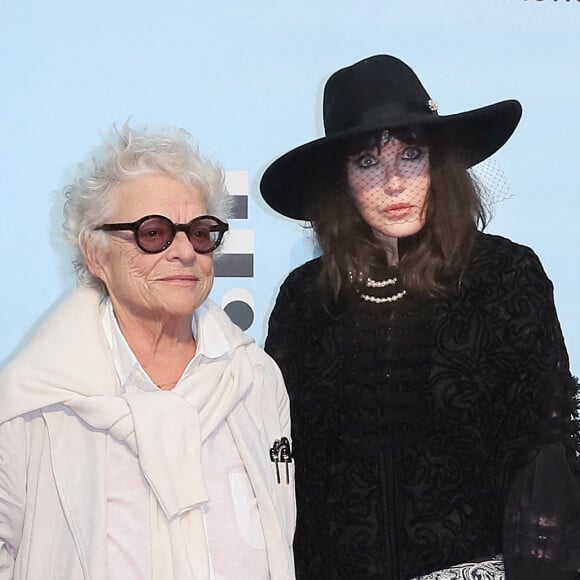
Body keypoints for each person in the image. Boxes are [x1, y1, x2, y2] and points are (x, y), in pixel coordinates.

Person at [260, 55, 580, 579]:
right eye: (367, 161)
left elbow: (545, 452)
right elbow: (290, 474)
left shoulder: (506, 276)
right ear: (340, 180)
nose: (392, 182)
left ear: (438, 164)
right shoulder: (303, 300)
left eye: (410, 154)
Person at [0, 124, 295, 580]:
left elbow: (279, 529)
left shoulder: (254, 375)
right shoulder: (33, 400)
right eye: (153, 233)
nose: (184, 252)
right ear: (96, 255)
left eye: (200, 233)